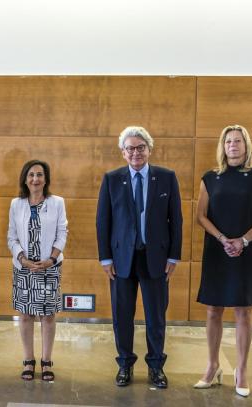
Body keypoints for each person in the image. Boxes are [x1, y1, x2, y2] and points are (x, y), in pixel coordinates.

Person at [96, 126, 182, 388]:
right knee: (122, 316)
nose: (136, 152)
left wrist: (174, 257)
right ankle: (125, 364)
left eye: (140, 147)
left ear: (149, 149)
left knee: (156, 316)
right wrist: (105, 258)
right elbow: (103, 221)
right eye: (130, 148)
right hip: (122, 260)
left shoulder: (166, 177)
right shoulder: (112, 179)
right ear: (123, 152)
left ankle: (156, 367)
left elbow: (175, 220)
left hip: (156, 258)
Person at [193, 124, 252, 397]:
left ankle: (241, 369)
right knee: (213, 309)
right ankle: (213, 366)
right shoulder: (210, 177)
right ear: (222, 146)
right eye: (228, 142)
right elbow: (201, 216)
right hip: (217, 250)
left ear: (246, 145)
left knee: (242, 311)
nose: (233, 146)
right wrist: (223, 238)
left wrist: (243, 241)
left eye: (238, 141)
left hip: (246, 251)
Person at [7, 160, 68, 381]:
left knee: (48, 315)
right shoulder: (16, 204)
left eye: (40, 175)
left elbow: (62, 233)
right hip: (23, 268)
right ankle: (28, 360)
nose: (35, 179)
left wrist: (52, 258)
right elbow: (11, 237)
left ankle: (46, 360)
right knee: (25, 315)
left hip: (49, 267)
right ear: (25, 179)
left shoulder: (57, 202)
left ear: (46, 179)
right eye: (31, 175)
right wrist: (22, 258)